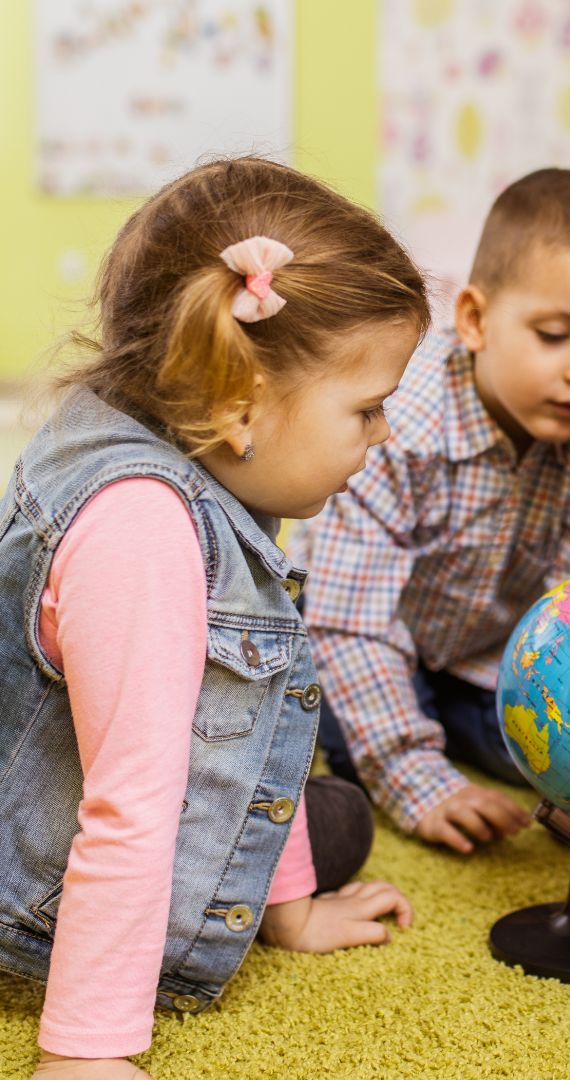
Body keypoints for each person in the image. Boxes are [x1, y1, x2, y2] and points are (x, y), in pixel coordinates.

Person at [2, 157, 429, 1079]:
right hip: (41, 867)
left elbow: (259, 716)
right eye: (368, 408)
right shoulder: (143, 531)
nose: (383, 434)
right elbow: (130, 802)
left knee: (334, 819)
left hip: (81, 786)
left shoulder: (208, 467)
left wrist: (293, 911)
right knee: (282, 816)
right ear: (240, 407)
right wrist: (87, 1051)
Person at [292, 168, 570, 855]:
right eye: (555, 334)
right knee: (321, 714)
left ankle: (448, 730)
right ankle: (413, 743)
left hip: (483, 659)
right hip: (359, 636)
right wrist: (415, 778)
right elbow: (349, 623)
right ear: (475, 320)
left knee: (568, 739)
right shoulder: (399, 424)